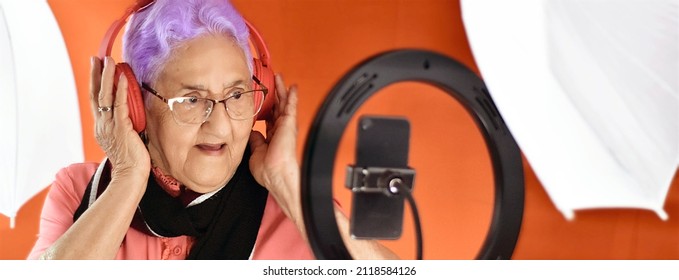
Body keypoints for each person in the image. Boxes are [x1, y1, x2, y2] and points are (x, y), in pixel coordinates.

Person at [28, 0, 398, 260]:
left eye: (237, 94)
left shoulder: (295, 208)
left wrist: (287, 182)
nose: (220, 125)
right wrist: (128, 178)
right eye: (191, 99)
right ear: (134, 106)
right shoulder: (79, 191)